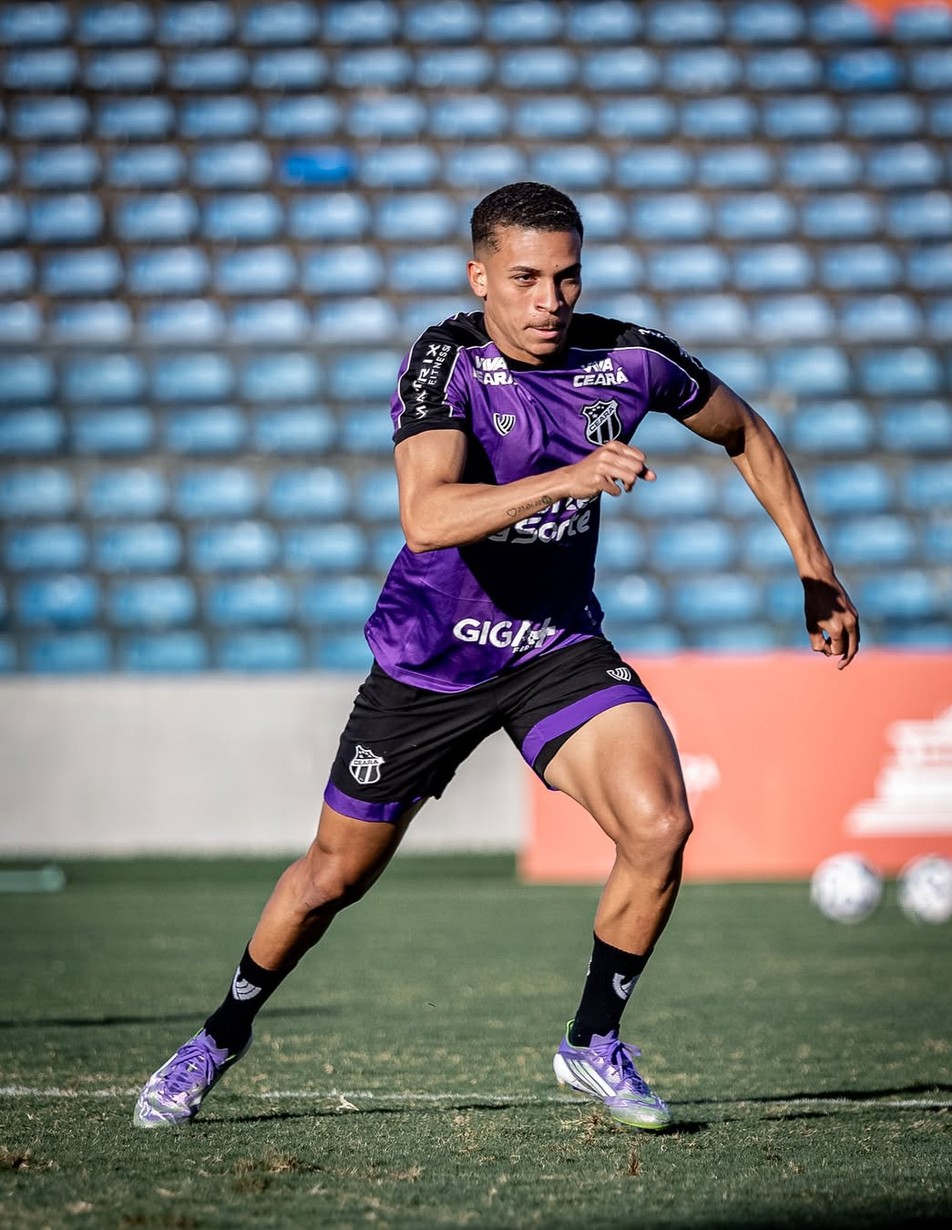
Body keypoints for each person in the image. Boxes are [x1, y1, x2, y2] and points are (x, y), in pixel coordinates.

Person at [134, 181, 859, 1133]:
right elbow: (426, 516)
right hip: (429, 663)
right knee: (332, 877)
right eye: (525, 279)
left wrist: (813, 568)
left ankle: (592, 1043)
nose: (549, 300)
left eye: (566, 277)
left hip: (554, 649)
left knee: (660, 826)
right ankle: (219, 1036)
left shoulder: (629, 359)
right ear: (481, 277)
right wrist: (573, 474)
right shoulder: (449, 362)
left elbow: (746, 432)